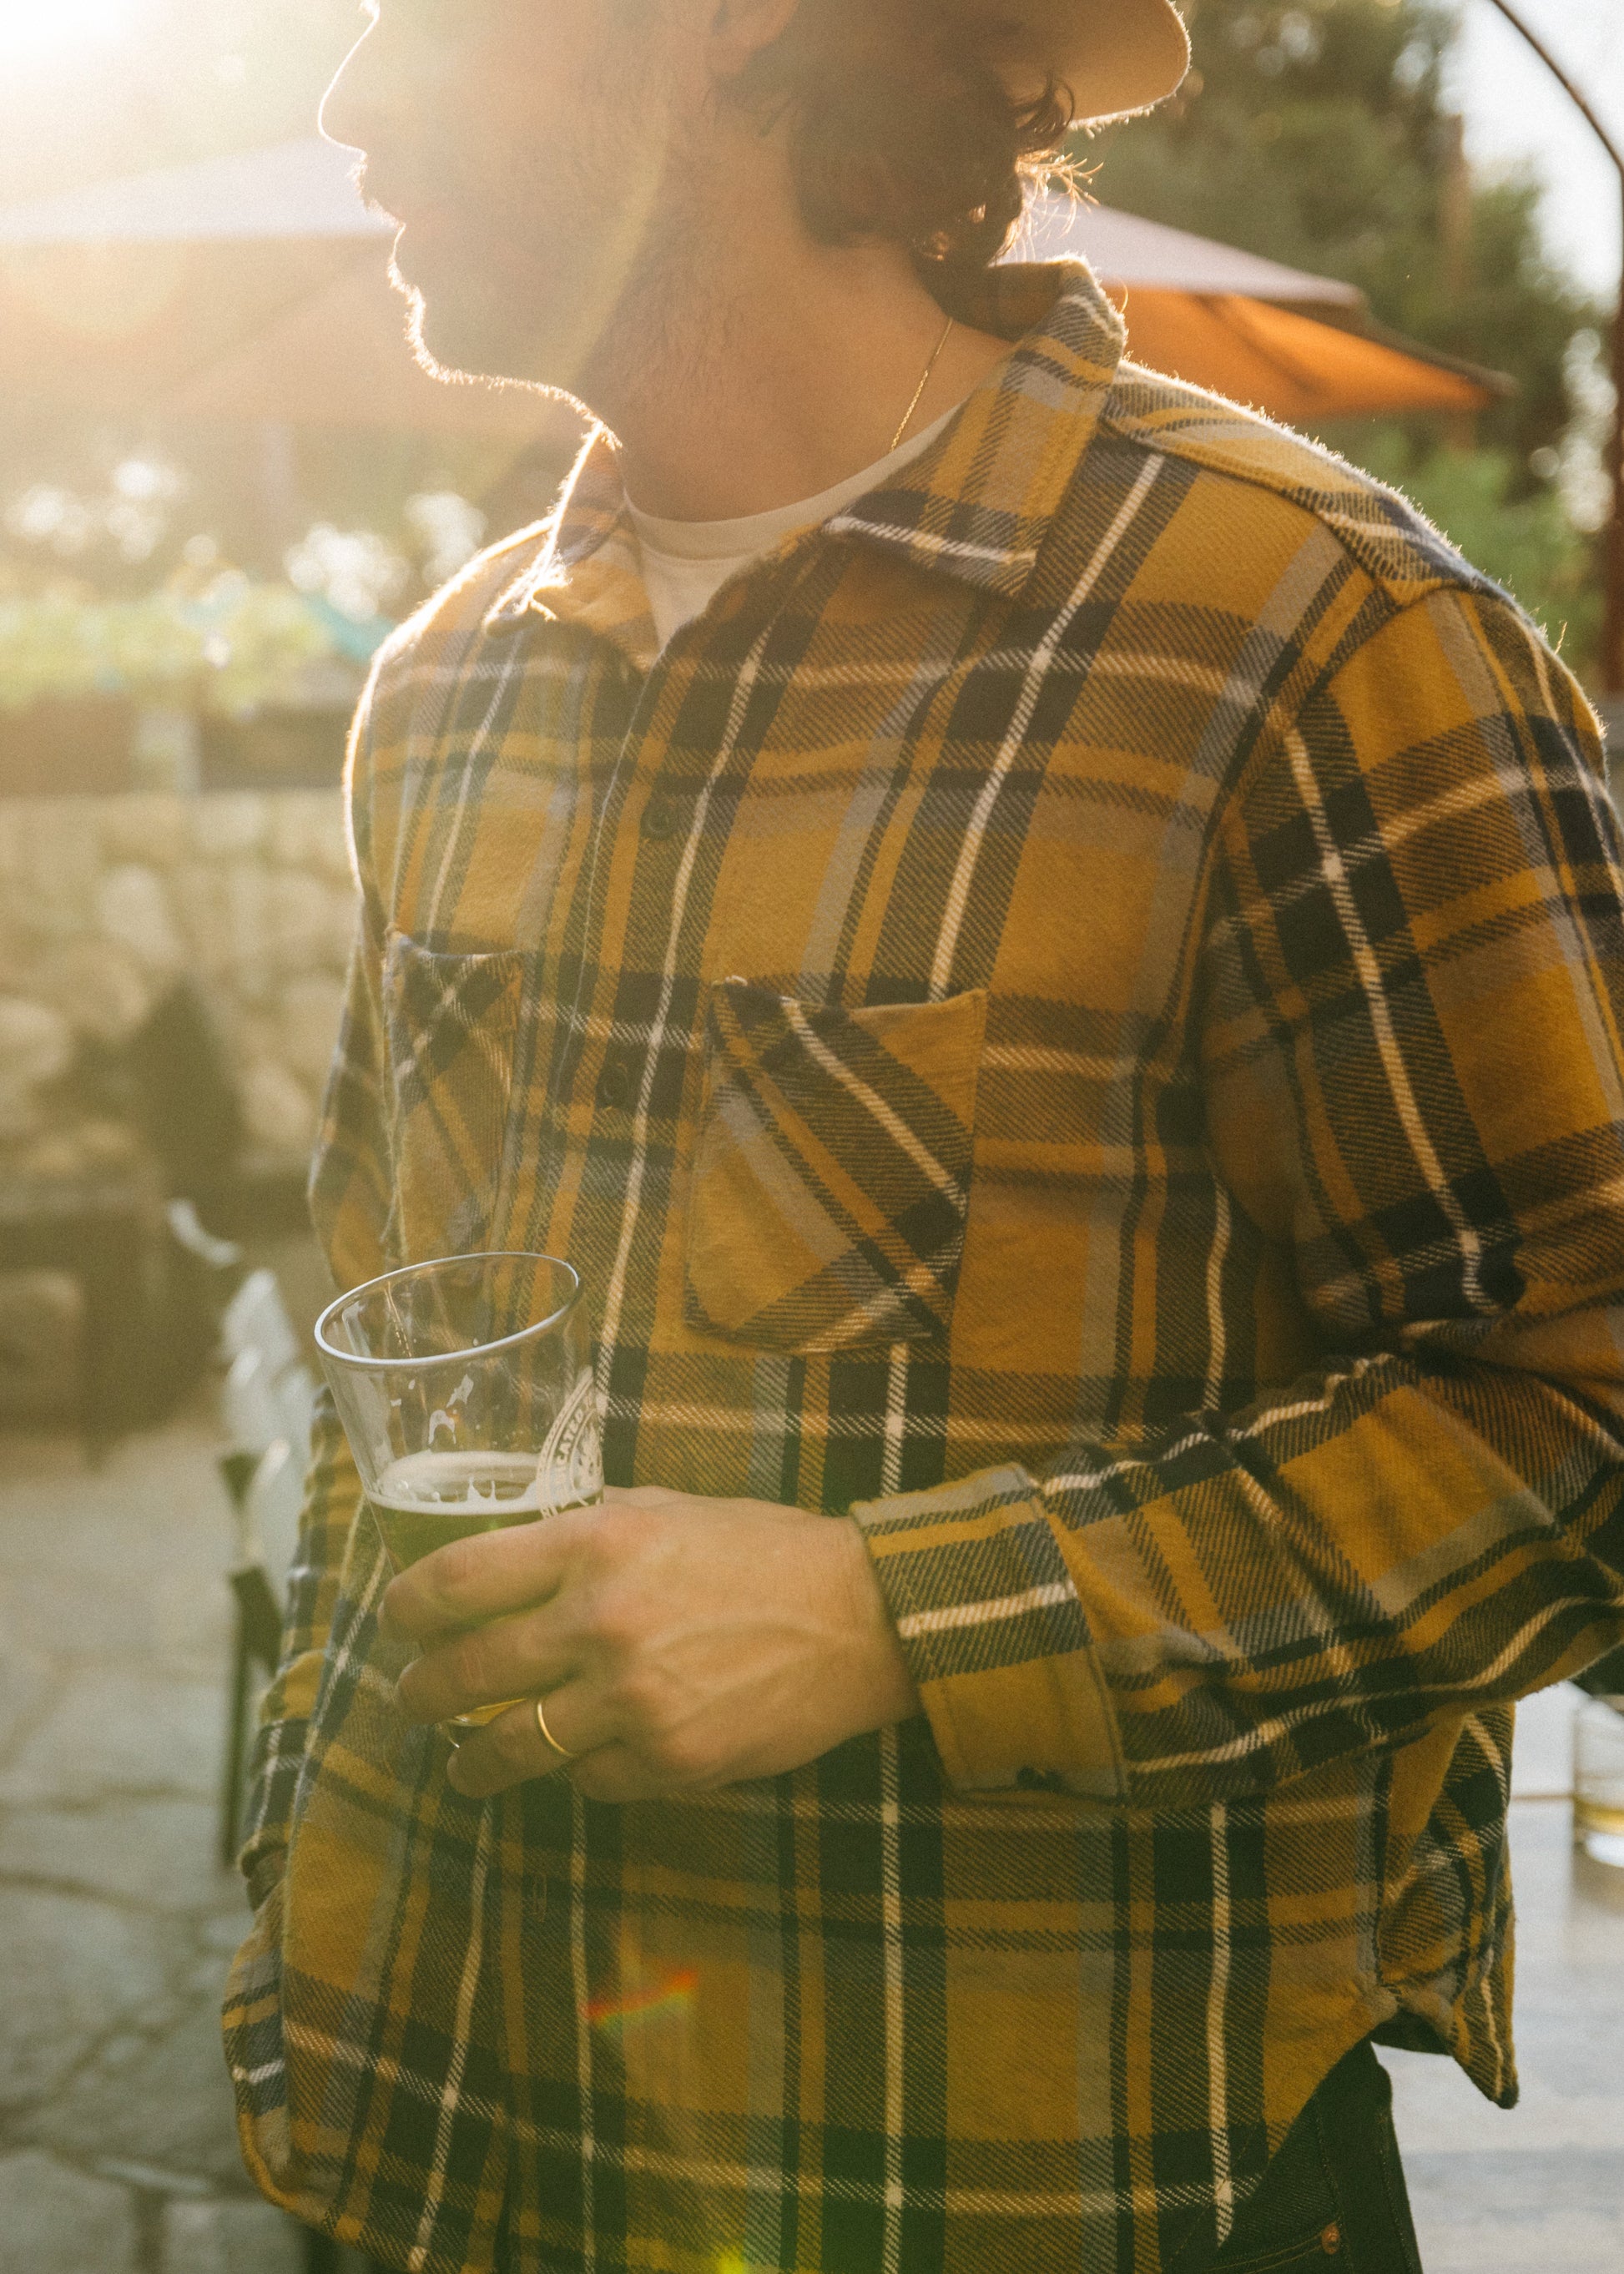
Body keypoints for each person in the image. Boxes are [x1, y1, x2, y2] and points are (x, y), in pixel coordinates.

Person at [223, 4, 1624, 2271]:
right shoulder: (448, 687)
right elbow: (385, 1341)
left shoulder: (1301, 639)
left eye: (427, 16)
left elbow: (1581, 1415)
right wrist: (306, 1900)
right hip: (455, 2135)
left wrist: (902, 1618)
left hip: (1047, 2184)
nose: (348, 99)